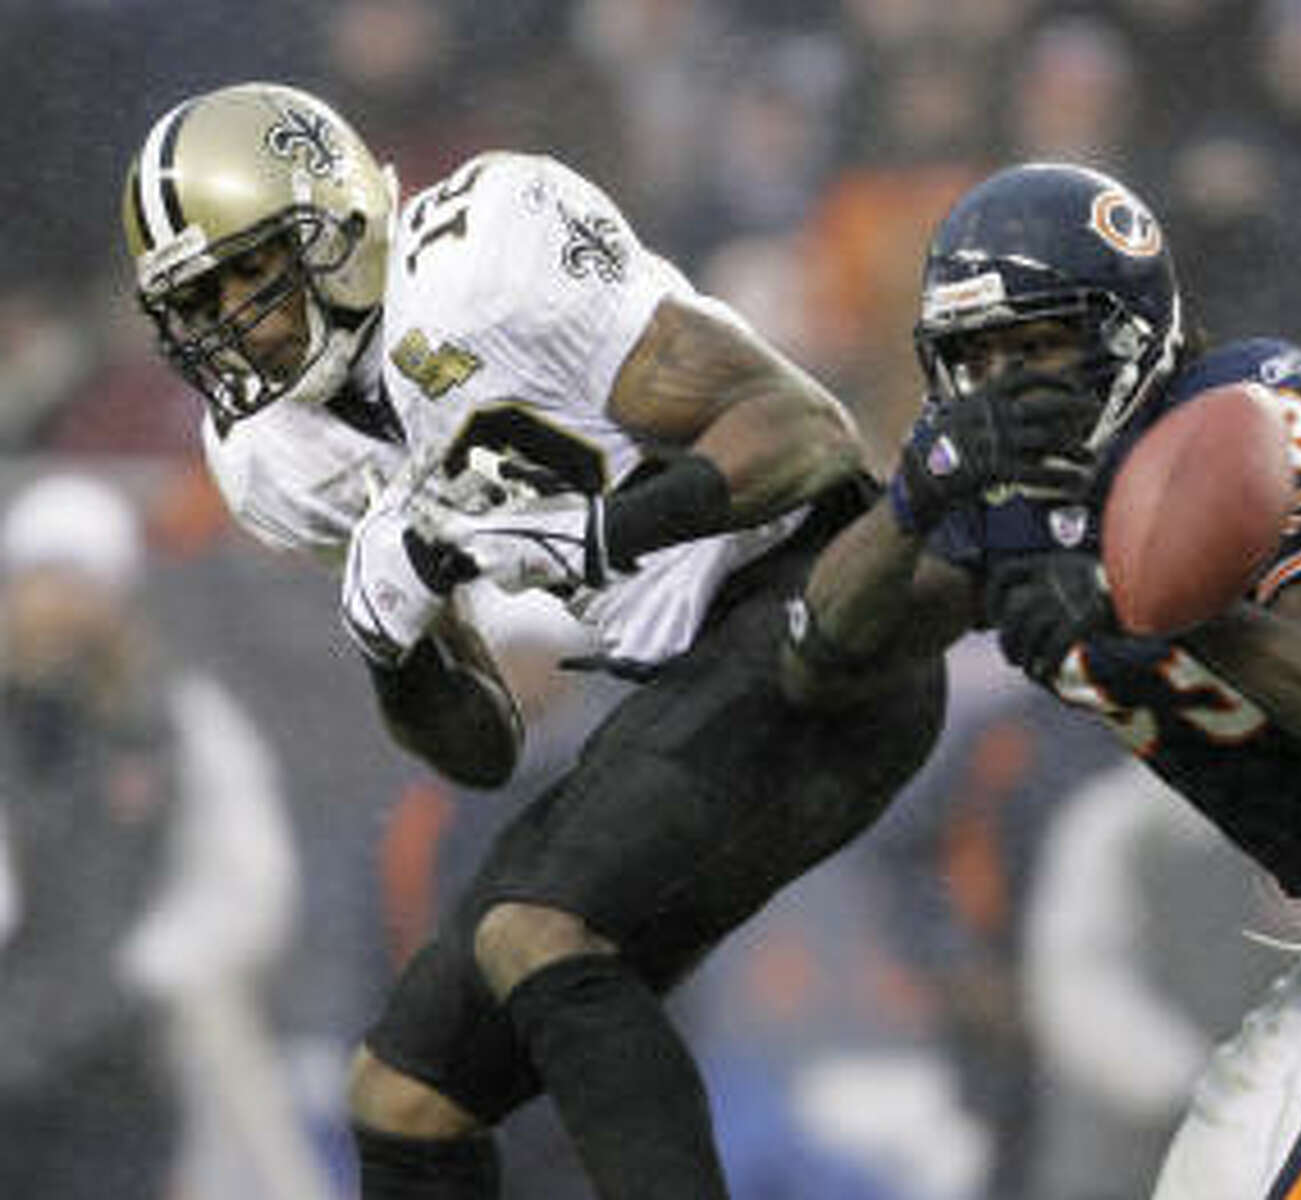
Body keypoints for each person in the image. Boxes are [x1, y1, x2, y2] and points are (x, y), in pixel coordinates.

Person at [121, 81, 945, 1198]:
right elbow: (482, 754)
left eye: (247, 274)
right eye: (200, 299)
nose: (233, 324)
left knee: (536, 933)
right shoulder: (274, 456)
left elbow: (806, 435)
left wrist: (597, 533)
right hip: (688, 679)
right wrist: (394, 644)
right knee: (402, 1098)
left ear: (338, 222)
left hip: (814, 610)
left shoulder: (480, 258)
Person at [792, 160, 1301, 1198]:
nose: (1010, 385)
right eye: (980, 354)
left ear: (1128, 331)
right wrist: (911, 498)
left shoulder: (1238, 419)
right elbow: (821, 652)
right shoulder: (996, 512)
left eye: (1040, 343)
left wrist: (1174, 606)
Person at [0, 472, 329, 1200]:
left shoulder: (176, 725)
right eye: (38, 581)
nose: (53, 607)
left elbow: (248, 884)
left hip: (131, 1063)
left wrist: (144, 974)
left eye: (75, 582)